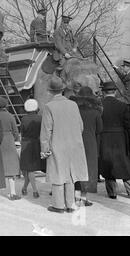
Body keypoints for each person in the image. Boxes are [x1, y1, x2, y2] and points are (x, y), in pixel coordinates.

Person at [40, 76, 88, 213]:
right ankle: (70, 204)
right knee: (71, 175)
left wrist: (45, 149)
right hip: (74, 144)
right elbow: (81, 126)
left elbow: (46, 130)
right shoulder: (73, 104)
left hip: (57, 144)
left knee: (58, 175)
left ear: (50, 91)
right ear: (62, 89)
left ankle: (58, 205)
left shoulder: (49, 106)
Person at [70, 87, 103, 206]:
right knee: (88, 170)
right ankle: (83, 198)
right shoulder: (95, 113)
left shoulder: (74, 111)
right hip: (90, 143)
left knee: (76, 169)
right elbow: (100, 129)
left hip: (76, 142)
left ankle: (76, 197)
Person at [99, 81, 130, 199]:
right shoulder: (123, 105)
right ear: (115, 91)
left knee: (108, 164)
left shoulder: (99, 105)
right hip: (120, 138)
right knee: (124, 164)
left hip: (105, 137)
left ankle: (112, 193)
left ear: (103, 92)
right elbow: (128, 124)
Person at [0, 97, 21, 200]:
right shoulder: (10, 116)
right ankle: (12, 193)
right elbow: (15, 131)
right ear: (6, 105)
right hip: (9, 141)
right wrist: (16, 139)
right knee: (11, 167)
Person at [20, 99, 44, 198]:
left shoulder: (24, 119)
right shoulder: (40, 118)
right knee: (30, 169)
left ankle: (34, 190)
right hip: (37, 143)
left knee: (28, 169)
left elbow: (22, 132)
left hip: (26, 143)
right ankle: (25, 187)